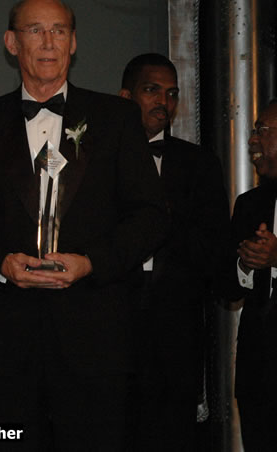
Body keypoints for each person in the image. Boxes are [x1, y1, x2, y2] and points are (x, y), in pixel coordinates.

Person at [0, 0, 168, 451]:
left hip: (96, 339)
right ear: (11, 43)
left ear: (74, 42)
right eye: (35, 30)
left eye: (59, 30)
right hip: (5, 343)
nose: (48, 42)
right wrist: (2, 264)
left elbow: (151, 215)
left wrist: (92, 263)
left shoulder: (116, 118)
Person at [119, 53, 230, 451]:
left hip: (176, 329)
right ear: (125, 96)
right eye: (151, 90)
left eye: (171, 94)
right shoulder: (97, 159)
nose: (162, 103)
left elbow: (216, 248)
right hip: (110, 326)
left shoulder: (198, 163)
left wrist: (167, 219)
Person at [227, 99, 277, 451]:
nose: (252, 140)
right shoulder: (249, 203)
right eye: (253, 131)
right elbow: (225, 287)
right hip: (258, 371)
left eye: (262, 131)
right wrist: (245, 265)